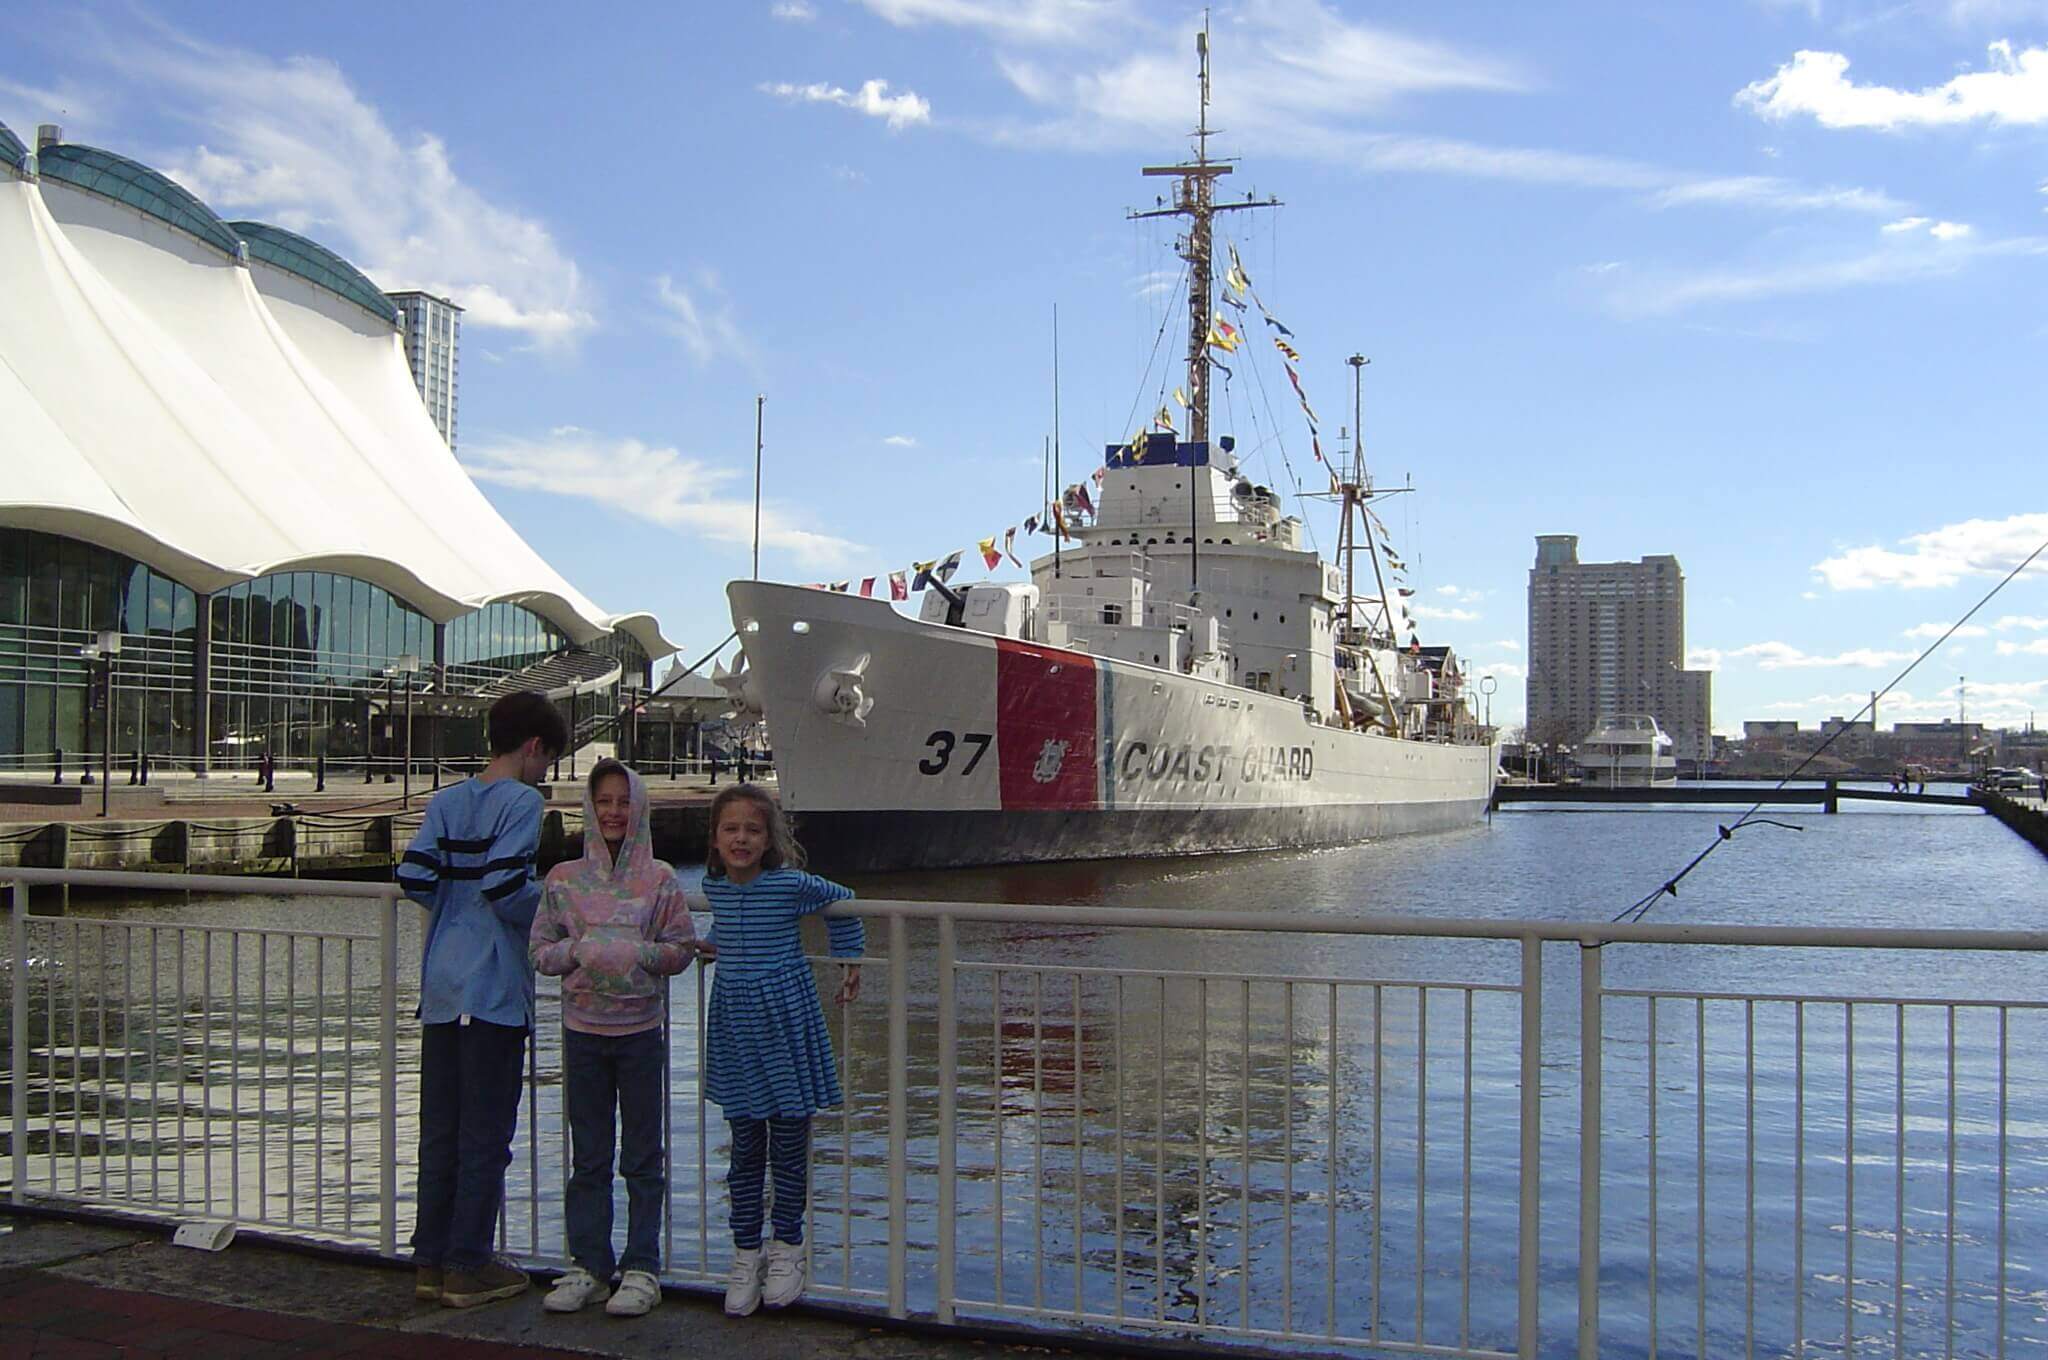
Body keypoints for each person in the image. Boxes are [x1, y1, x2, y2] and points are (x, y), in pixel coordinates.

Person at [395, 691, 566, 1309]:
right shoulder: (523, 801)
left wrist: (452, 908)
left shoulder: (448, 799)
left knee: (440, 1131)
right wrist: (555, 908)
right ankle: (469, 1263)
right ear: (532, 748)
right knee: (486, 1133)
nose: (545, 773)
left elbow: (414, 875)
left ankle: (429, 1260)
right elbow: (504, 884)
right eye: (547, 760)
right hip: (492, 986)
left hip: (441, 984)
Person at [529, 760, 697, 1318]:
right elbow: (540, 952)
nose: (614, 813)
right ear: (589, 806)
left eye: (624, 802)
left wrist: (637, 954)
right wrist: (577, 952)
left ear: (640, 807)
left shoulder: (662, 880)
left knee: (644, 1155)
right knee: (590, 1156)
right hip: (582, 1034)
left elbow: (679, 949)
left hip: (641, 1033)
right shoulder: (562, 880)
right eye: (604, 801)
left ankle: (642, 1265)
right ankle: (589, 1266)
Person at [696, 784, 862, 1317]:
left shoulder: (789, 885)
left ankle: (788, 1247)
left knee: (788, 1145)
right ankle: (746, 1252)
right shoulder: (714, 888)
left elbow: (844, 902)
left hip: (785, 1023)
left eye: (752, 829)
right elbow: (726, 925)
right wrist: (712, 944)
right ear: (716, 839)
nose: (741, 838)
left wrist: (848, 960)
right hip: (737, 1026)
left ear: (768, 839)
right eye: (731, 829)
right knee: (744, 1147)